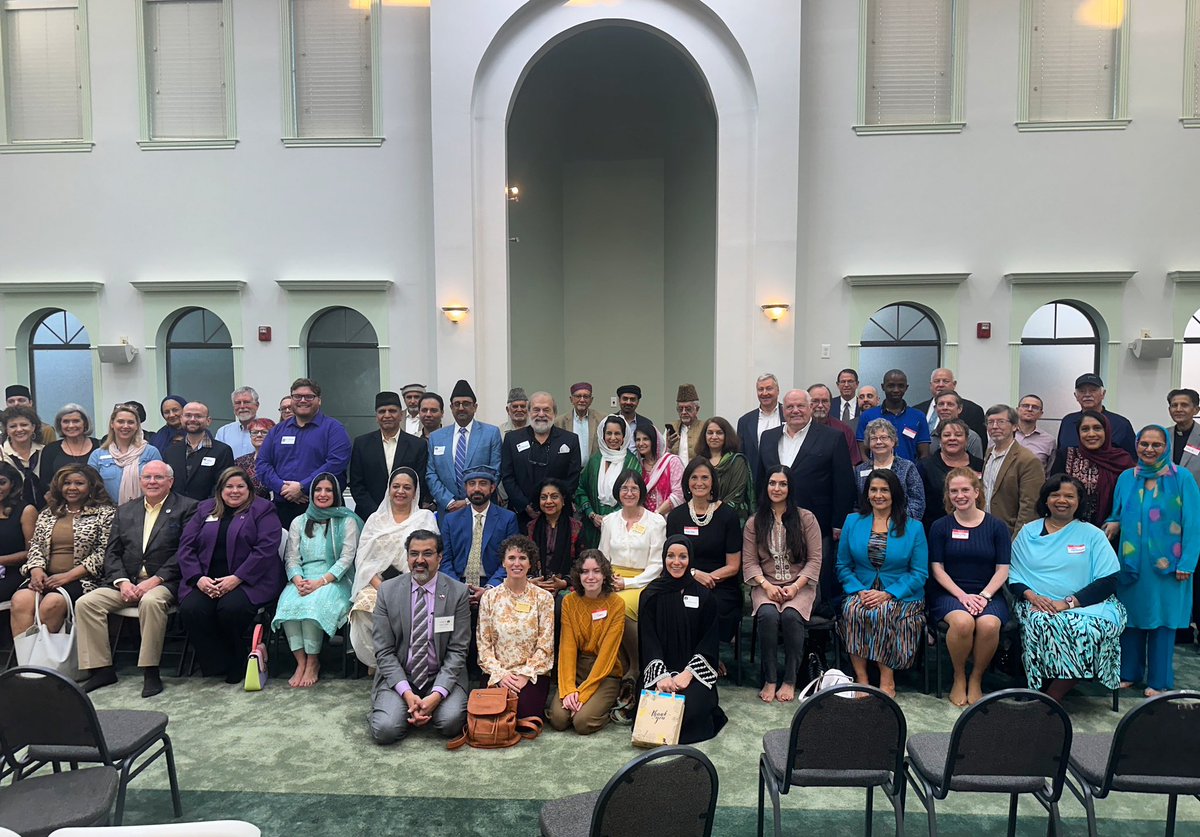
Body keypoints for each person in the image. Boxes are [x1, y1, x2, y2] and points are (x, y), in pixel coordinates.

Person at [75, 460, 198, 697]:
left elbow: (185, 552)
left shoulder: (188, 508)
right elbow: (112, 552)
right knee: (86, 603)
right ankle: (101, 669)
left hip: (164, 582)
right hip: (127, 582)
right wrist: (122, 582)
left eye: (159, 478)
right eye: (147, 477)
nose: (152, 482)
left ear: (170, 482)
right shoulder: (125, 509)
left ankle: (150, 670)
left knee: (150, 602)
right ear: (140, 481)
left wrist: (155, 580)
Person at [1009, 474, 1126, 701]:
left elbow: (1108, 580)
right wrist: (1033, 597)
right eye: (1055, 495)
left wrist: (1067, 603)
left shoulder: (1093, 535)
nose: (1062, 500)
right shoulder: (1028, 532)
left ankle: (1052, 697)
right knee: (1040, 623)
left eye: (1069, 496)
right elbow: (1014, 574)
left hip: (1087, 605)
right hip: (1036, 602)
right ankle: (1033, 687)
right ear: (1045, 499)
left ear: (1079, 501)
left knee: (1085, 629)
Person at [1105, 425, 1199, 696]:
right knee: (1132, 621)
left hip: (1170, 566)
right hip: (1132, 564)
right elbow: (1117, 513)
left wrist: (1188, 563)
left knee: (1162, 623)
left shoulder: (1181, 478)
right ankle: (1129, 673)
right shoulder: (1126, 477)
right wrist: (1112, 524)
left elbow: (1193, 523)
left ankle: (1159, 681)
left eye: (1156, 444)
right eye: (1144, 444)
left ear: (1166, 447)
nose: (1149, 449)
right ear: (1136, 445)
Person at [175, 467, 285, 682]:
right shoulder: (204, 509)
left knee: (230, 609)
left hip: (250, 580)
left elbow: (266, 549)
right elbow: (186, 547)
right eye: (229, 486)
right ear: (220, 489)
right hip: (207, 579)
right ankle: (217, 662)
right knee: (192, 609)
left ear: (249, 489)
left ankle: (237, 660)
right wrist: (198, 578)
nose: (234, 491)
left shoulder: (263, 509)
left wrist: (237, 578)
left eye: (240, 486)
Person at [369, 529, 470, 744]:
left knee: (450, 723)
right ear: (407, 557)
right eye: (414, 554)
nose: (420, 560)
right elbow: (384, 651)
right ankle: (406, 707)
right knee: (385, 730)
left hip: (440, 675)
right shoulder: (387, 591)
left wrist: (436, 695)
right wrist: (406, 693)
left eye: (428, 554)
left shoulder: (457, 592)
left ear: (440, 558)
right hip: (401, 675)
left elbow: (458, 651)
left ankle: (422, 708)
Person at [836, 468, 928, 697]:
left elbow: (919, 573)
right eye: (873, 489)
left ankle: (887, 680)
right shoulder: (852, 522)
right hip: (862, 589)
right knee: (852, 609)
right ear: (867, 494)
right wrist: (859, 591)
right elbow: (843, 566)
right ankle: (862, 678)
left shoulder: (914, 527)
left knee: (883, 612)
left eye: (884, 490)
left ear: (894, 493)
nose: (879, 495)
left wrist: (888, 594)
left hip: (901, 594)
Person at [927, 468, 1012, 706]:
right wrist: (962, 596)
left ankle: (976, 677)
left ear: (976, 492)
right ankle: (959, 675)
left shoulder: (997, 527)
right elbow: (937, 568)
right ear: (948, 495)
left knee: (988, 624)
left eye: (965, 490)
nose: (960, 495)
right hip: (949, 592)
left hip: (989, 593)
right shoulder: (940, 526)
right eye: (954, 491)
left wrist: (984, 596)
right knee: (963, 623)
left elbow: (1003, 569)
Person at [272, 473, 362, 688]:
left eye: (328, 490)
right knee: (288, 603)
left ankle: (313, 662)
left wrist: (320, 582)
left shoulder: (347, 520)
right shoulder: (299, 521)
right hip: (302, 579)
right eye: (318, 490)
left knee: (312, 605)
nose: (323, 494)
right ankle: (300, 662)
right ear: (311, 494)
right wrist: (297, 579)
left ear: (336, 494)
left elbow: (346, 559)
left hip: (334, 580)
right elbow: (291, 557)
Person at [742, 465, 822, 703]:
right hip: (766, 584)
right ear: (765, 487)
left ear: (790, 488)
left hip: (802, 585)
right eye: (772, 483)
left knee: (789, 615)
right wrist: (766, 586)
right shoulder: (754, 522)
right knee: (767, 614)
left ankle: (789, 679)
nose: (777, 488)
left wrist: (796, 587)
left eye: (782, 484)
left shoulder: (806, 518)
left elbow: (815, 559)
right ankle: (770, 678)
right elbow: (749, 562)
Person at [639, 535, 728, 744]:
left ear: (691, 560)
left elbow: (709, 642)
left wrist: (688, 675)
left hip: (692, 674)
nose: (676, 562)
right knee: (656, 712)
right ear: (663, 558)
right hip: (660, 672)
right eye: (670, 556)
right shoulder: (650, 595)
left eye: (682, 557)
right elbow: (648, 640)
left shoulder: (705, 597)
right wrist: (662, 677)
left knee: (689, 712)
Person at [10, 464, 116, 637]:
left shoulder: (105, 513)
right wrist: (36, 571)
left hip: (83, 578)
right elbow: (35, 545)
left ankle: (47, 660)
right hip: (44, 576)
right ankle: (27, 660)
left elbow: (104, 552)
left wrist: (67, 576)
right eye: (67, 483)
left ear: (91, 486)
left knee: (51, 604)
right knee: (20, 601)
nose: (72, 488)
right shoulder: (48, 513)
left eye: (79, 483)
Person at [348, 467, 438, 668]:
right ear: (388, 490)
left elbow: (430, 557)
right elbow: (362, 560)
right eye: (396, 486)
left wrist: (407, 584)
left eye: (407, 487)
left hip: (415, 582)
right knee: (362, 609)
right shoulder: (375, 520)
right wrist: (382, 587)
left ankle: (407, 662)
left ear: (415, 492)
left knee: (411, 610)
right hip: (376, 583)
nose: (401, 491)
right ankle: (383, 664)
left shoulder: (425, 518)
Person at [598, 469, 666, 720]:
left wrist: (629, 582)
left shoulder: (655, 521)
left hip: (643, 582)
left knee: (620, 607)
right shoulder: (609, 521)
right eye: (624, 488)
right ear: (618, 492)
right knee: (599, 607)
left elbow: (657, 564)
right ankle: (616, 672)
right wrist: (606, 580)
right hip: (611, 580)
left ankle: (635, 667)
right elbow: (602, 555)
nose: (629, 493)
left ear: (641, 492)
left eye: (634, 488)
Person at [758, 389, 856, 542]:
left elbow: (844, 484)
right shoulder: (767, 437)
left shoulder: (832, 437)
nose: (795, 411)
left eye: (801, 406)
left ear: (810, 407)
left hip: (818, 524)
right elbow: (761, 480)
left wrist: (839, 522)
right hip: (773, 522)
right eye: (790, 407)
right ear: (783, 410)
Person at [256, 377, 352, 528]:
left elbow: (336, 463)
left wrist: (303, 486)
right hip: (283, 506)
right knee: (285, 550)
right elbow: (262, 463)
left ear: (319, 400)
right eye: (297, 396)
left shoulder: (334, 429)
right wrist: (282, 488)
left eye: (309, 396)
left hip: (323, 508)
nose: (302, 400)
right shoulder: (278, 431)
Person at [665, 459, 741, 647]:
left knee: (708, 605)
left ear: (713, 482)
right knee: (677, 604)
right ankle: (691, 656)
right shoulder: (676, 516)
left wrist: (709, 578)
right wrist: (694, 575)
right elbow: (670, 559)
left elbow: (733, 565)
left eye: (705, 477)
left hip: (720, 584)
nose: (699, 483)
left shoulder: (728, 516)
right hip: (683, 579)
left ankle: (707, 656)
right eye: (694, 477)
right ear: (687, 483)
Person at [478, 535, 555, 719]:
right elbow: (484, 645)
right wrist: (501, 675)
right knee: (494, 716)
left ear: (531, 564)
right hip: (496, 674)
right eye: (511, 558)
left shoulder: (543, 598)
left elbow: (545, 645)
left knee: (523, 714)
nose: (516, 563)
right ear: (503, 562)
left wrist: (525, 675)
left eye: (522, 558)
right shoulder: (489, 597)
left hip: (532, 675)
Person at [549, 550, 625, 734]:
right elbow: (567, 648)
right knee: (559, 720)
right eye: (585, 571)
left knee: (582, 722)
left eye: (596, 571)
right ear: (578, 575)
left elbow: (607, 656)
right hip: (577, 670)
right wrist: (568, 690)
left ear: (605, 575)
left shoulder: (616, 604)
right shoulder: (569, 602)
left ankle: (610, 707)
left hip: (605, 673)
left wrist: (583, 694)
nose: (591, 576)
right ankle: (577, 699)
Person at [501, 391, 581, 533]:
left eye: (546, 410)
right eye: (536, 409)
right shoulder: (512, 439)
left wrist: (553, 503)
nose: (541, 414)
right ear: (529, 412)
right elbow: (508, 476)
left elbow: (573, 477)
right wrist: (526, 506)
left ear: (554, 413)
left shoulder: (570, 440)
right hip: (522, 516)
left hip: (559, 515)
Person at [439, 466, 519, 602]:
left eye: (483, 484)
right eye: (472, 484)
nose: (477, 488)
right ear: (466, 488)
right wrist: (458, 587)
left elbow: (510, 560)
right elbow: (444, 560)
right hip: (457, 584)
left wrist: (489, 588)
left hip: (494, 586)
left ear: (492, 488)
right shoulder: (451, 520)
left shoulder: (507, 519)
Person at [426, 379, 502, 517]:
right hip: (448, 511)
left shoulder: (491, 433)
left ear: (475, 407)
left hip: (483, 508)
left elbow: (495, 471)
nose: (461, 408)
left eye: (466, 404)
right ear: (451, 407)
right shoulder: (436, 437)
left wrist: (468, 501)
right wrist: (449, 502)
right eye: (457, 404)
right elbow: (431, 474)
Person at [349, 391, 430, 517]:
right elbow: (356, 484)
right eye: (382, 411)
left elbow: (421, 484)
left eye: (392, 411)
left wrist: (401, 511)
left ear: (401, 415)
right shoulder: (362, 444)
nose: (387, 415)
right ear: (376, 416)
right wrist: (377, 513)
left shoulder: (418, 445)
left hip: (407, 516)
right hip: (370, 517)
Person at [1048, 410, 1133, 526]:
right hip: (1069, 527)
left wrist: (1117, 520)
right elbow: (1053, 491)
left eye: (1097, 428)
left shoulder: (1122, 460)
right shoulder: (1066, 455)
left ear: (1107, 431)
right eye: (1085, 429)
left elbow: (1130, 498)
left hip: (1110, 531)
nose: (1091, 434)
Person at [575, 415, 641, 549]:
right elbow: (580, 489)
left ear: (624, 436)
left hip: (622, 527)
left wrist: (610, 519)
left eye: (617, 433)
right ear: (603, 435)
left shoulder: (631, 462)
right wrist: (592, 515)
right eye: (609, 433)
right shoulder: (595, 460)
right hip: (593, 527)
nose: (613, 438)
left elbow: (635, 495)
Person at [982, 404, 1046, 536]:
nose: (994, 426)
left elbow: (1029, 507)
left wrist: (1017, 540)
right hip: (985, 529)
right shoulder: (988, 453)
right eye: (990, 422)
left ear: (1015, 426)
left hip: (1010, 532)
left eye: (1001, 422)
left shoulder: (1028, 460)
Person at [88, 404, 163, 505]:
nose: (125, 426)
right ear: (112, 424)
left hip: (143, 511)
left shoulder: (151, 452)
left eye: (131, 422)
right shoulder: (97, 455)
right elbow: (91, 487)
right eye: (120, 421)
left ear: (137, 426)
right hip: (109, 513)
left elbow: (160, 484)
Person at [162, 402, 236, 501]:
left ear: (208, 421)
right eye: (188, 415)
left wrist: (205, 510)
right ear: (181, 419)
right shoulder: (170, 452)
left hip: (209, 511)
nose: (192, 419)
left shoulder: (222, 451)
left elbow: (222, 485)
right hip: (176, 513)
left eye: (198, 416)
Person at [918, 418, 984, 529]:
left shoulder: (980, 466)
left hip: (976, 529)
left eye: (958, 435)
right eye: (947, 435)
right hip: (934, 530)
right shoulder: (924, 467)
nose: (952, 438)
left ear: (967, 439)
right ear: (940, 440)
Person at [856, 418, 925, 521]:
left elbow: (917, 501)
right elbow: (857, 502)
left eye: (883, 437)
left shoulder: (907, 467)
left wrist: (899, 521)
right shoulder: (860, 470)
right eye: (874, 438)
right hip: (868, 525)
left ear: (893, 441)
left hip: (901, 525)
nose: (879, 442)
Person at [856, 369, 931, 462]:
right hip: (876, 473)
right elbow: (862, 452)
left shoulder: (918, 416)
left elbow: (924, 454)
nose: (896, 390)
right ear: (883, 387)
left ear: (906, 388)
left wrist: (912, 472)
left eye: (900, 386)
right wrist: (873, 472)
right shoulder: (867, 416)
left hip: (909, 473)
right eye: (891, 386)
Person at [1056, 374, 1137, 458]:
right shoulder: (1068, 421)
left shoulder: (1121, 424)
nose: (1087, 394)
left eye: (1093, 390)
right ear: (1076, 396)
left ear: (1103, 393)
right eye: (1082, 391)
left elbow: (1133, 460)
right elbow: (1060, 454)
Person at [695, 416, 755, 525]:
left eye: (719, 433)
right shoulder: (698, 462)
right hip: (700, 518)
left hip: (730, 519)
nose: (714, 436)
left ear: (727, 436)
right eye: (710, 433)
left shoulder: (737, 461)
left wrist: (714, 513)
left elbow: (736, 495)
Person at [527, 477, 582, 596]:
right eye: (543, 497)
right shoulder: (531, 527)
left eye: (554, 496)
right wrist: (532, 581)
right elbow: (525, 559)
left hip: (567, 585)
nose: (548, 501)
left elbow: (582, 562)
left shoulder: (577, 528)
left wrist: (564, 582)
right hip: (535, 584)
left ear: (563, 500)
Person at [914, 368, 987, 441]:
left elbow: (979, 444)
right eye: (937, 381)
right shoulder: (916, 410)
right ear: (931, 385)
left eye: (945, 381)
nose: (941, 384)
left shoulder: (973, 410)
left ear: (954, 384)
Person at [736, 372, 783, 484]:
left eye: (769, 389)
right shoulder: (745, 421)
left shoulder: (788, 415)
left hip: (783, 479)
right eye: (760, 389)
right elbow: (741, 456)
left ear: (778, 391)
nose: (764, 393)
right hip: (755, 482)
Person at [0, 462, 36, 603]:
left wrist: (1, 561)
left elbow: (32, 552)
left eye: (2, 483)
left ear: (13, 484)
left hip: (15, 572)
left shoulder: (26, 511)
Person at [39, 404, 100, 481]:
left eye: (76, 421)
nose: (71, 426)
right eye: (66, 422)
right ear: (60, 424)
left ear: (85, 423)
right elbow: (45, 483)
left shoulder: (100, 447)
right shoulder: (50, 450)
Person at [1, 405, 45, 511]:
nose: (19, 429)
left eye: (24, 425)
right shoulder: (1, 453)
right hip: (9, 512)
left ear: (33, 427)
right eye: (13, 426)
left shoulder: (45, 451)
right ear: (6, 430)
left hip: (45, 510)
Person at [808, 383, 862, 466]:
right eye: (815, 401)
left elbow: (853, 463)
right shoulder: (798, 428)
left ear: (830, 404)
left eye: (825, 401)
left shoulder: (844, 430)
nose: (820, 405)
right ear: (807, 403)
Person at [637, 427, 683, 516]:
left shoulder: (671, 462)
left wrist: (656, 515)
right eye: (638, 440)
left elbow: (679, 494)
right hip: (644, 522)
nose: (641, 443)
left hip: (670, 519)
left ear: (655, 440)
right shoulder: (638, 466)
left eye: (645, 439)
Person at [554, 381, 601, 467]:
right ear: (571, 399)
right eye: (578, 396)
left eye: (586, 396)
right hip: (568, 471)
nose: (582, 400)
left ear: (591, 400)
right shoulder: (559, 422)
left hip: (593, 471)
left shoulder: (601, 419)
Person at [926, 391, 984, 458]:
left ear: (959, 409)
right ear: (936, 409)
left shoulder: (972, 438)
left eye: (950, 404)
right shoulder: (931, 437)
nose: (945, 408)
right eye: (941, 404)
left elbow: (976, 466)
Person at [214, 386, 260, 458]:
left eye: (246, 402)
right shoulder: (223, 432)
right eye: (238, 403)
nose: (242, 406)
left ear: (257, 406)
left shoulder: (270, 430)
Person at [1015, 394, 1056, 474]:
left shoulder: (1049, 441)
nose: (1030, 409)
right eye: (1025, 406)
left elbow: (1049, 472)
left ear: (1041, 413)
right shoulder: (1004, 435)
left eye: (1035, 407)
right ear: (1017, 410)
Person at [235, 417, 275, 499]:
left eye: (264, 432)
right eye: (255, 432)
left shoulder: (280, 461)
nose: (259, 435)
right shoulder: (240, 462)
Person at [1168, 388, 1200, 485]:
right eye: (1174, 405)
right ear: (1169, 410)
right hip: (1166, 496)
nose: (1178, 409)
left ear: (1196, 410)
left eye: (1184, 405)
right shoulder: (1162, 435)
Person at [665, 384, 703, 462]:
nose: (684, 412)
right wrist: (668, 446)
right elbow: (662, 456)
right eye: (680, 409)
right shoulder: (672, 427)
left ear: (697, 409)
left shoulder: (704, 427)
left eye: (688, 409)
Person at [615, 384, 655, 454]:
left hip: (639, 464)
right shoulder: (609, 421)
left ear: (638, 402)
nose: (628, 402)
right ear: (619, 400)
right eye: (625, 398)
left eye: (632, 399)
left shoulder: (647, 423)